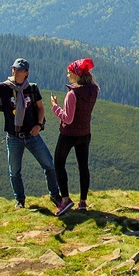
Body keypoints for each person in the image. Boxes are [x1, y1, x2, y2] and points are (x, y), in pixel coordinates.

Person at [0, 58, 61, 210]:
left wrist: (38, 125)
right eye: (14, 69)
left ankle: (55, 195)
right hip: (14, 137)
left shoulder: (32, 88)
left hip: (32, 135)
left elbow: (41, 108)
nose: (15, 72)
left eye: (19, 70)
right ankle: (20, 201)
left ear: (26, 73)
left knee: (49, 164)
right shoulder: (5, 87)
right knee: (15, 171)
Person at [50, 57, 99, 216]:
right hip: (85, 133)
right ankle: (83, 202)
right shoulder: (93, 90)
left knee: (58, 163)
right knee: (83, 166)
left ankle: (65, 200)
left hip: (69, 134)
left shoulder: (72, 94)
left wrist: (55, 107)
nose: (67, 76)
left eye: (69, 73)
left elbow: (68, 119)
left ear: (76, 74)